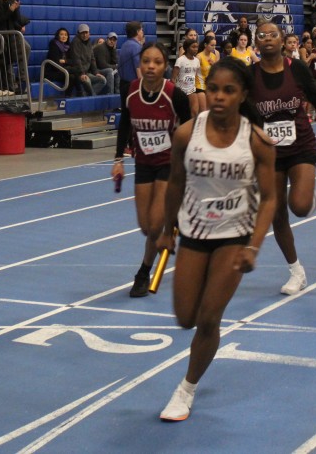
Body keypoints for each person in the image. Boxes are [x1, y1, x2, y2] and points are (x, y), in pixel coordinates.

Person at [156, 57, 276, 422]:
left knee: (208, 319)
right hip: (194, 233)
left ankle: (186, 389)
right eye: (213, 89)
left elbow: (270, 198)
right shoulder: (186, 134)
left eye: (229, 90)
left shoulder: (256, 141)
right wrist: (166, 230)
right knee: (185, 318)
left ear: (243, 95)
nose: (219, 97)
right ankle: (194, 360)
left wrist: (254, 245)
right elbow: (175, 183)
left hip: (234, 236)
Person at [252, 22, 316, 295]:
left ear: (282, 41)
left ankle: (307, 194)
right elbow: (243, 111)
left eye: (273, 35)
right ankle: (296, 271)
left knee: (300, 207)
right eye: (262, 35)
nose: (268, 39)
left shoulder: (296, 68)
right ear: (256, 42)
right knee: (277, 212)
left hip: (300, 143)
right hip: (269, 152)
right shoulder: (250, 75)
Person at [112, 42, 192, 298]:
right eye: (146, 61)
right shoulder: (130, 91)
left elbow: (191, 127)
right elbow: (125, 123)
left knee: (156, 226)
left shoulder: (174, 95)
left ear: (165, 66)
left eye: (157, 62)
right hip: (143, 163)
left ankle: (143, 272)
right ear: (140, 64)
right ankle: (175, 218)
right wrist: (118, 159)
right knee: (146, 227)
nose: (150, 66)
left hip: (170, 164)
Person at [66, 23, 107, 96]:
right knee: (87, 82)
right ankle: (91, 97)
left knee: (102, 80)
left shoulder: (89, 43)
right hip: (77, 72)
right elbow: (76, 59)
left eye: (86, 33)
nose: (85, 35)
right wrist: (82, 73)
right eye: (82, 33)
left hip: (87, 72)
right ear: (79, 33)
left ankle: (88, 96)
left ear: (89, 33)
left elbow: (92, 59)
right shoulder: (75, 42)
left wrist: (96, 72)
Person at [118, 21, 145, 109]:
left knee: (125, 113)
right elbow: (138, 68)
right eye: (141, 30)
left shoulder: (124, 45)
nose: (142, 32)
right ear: (137, 32)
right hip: (133, 86)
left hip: (123, 84)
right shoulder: (136, 47)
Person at [171, 38, 201, 117]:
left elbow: (196, 76)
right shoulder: (180, 60)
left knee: (195, 112)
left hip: (191, 90)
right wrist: (175, 91)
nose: (196, 49)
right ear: (187, 48)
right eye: (193, 47)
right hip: (181, 91)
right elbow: (173, 78)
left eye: (197, 47)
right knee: (181, 114)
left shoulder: (197, 61)